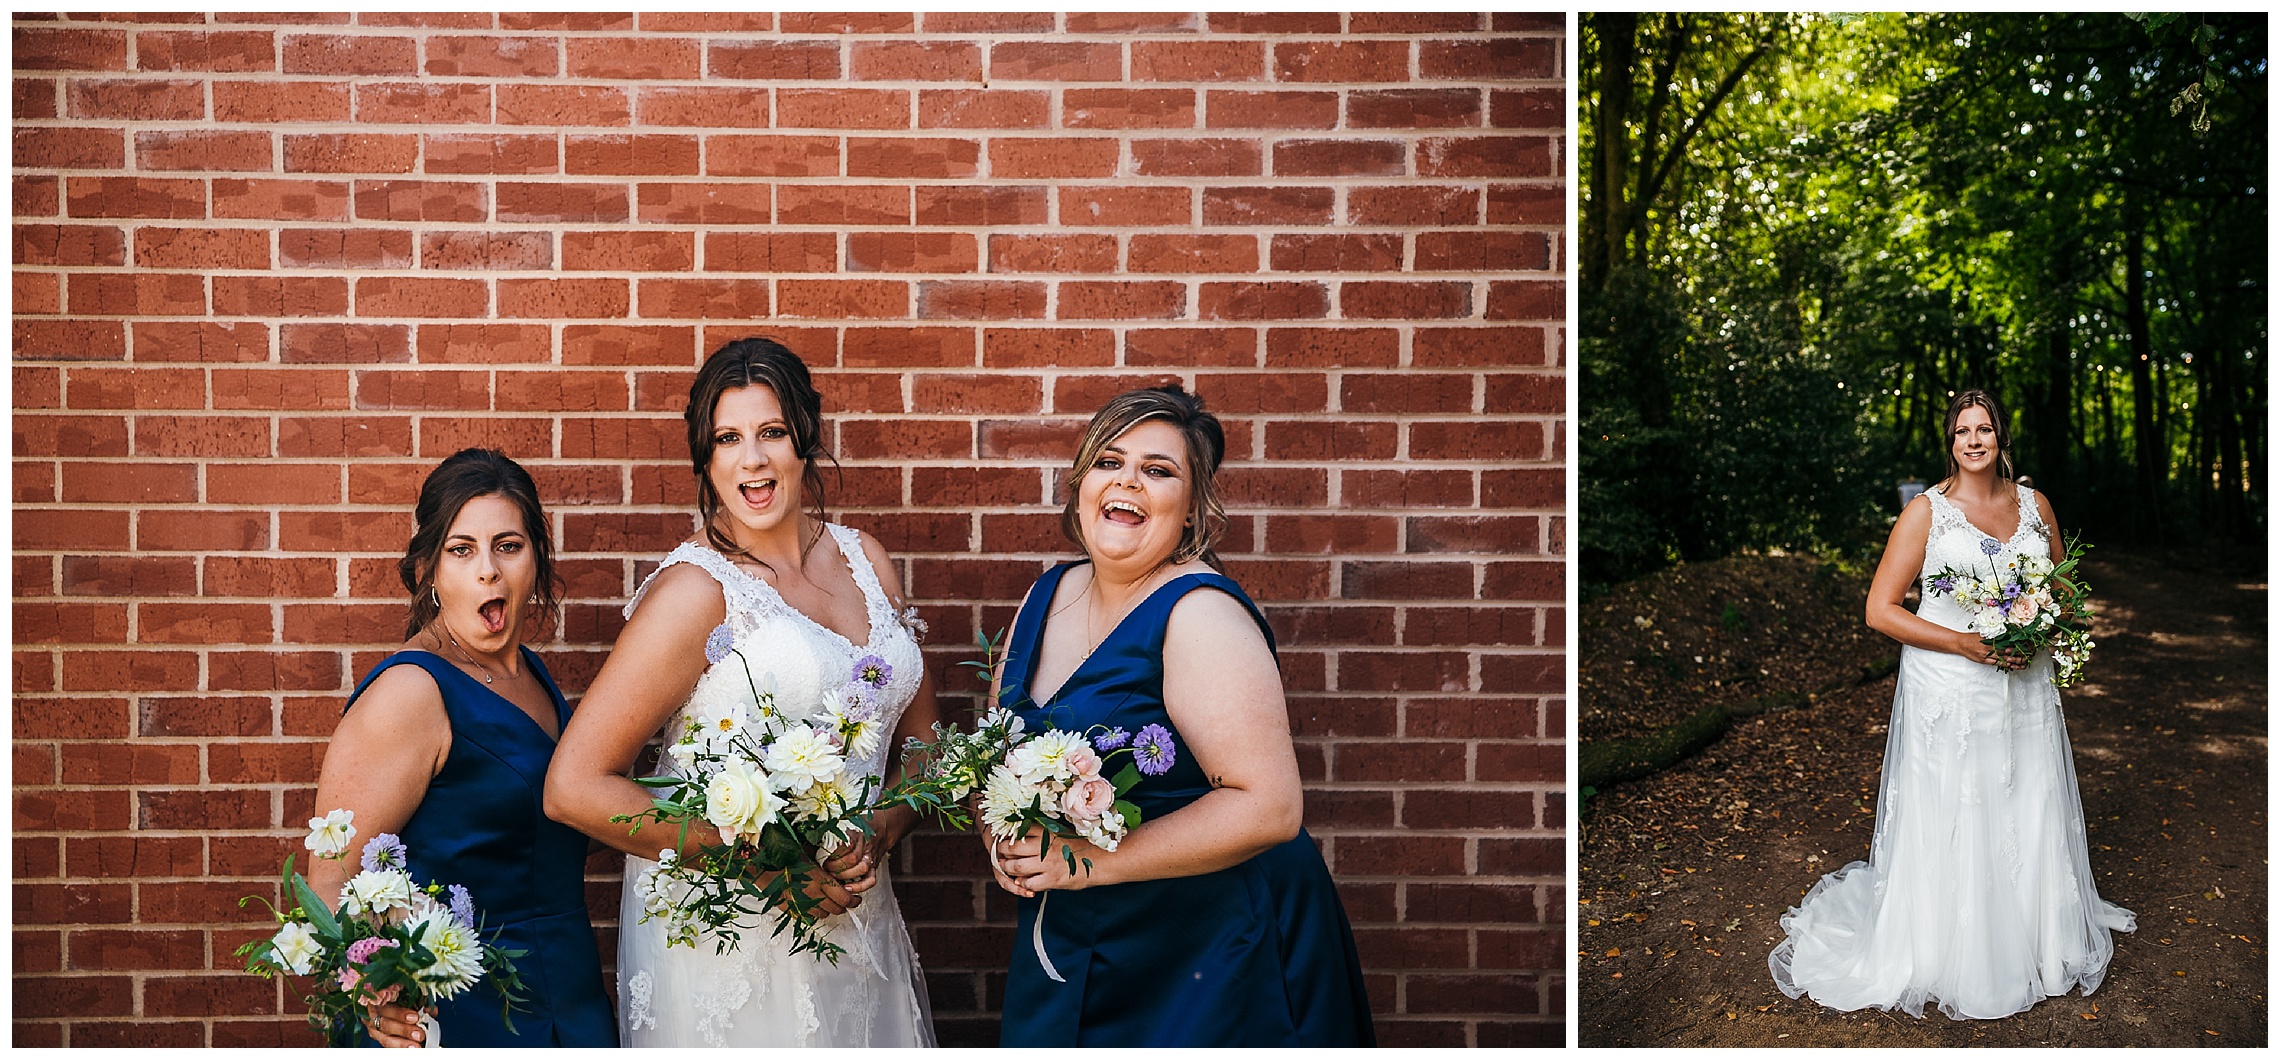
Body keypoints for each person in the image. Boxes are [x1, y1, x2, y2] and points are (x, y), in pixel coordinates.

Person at [545, 338, 940, 1047]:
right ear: (705, 458)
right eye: (728, 438)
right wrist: (770, 869)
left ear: (805, 441)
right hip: (733, 934)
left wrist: (879, 830)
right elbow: (575, 786)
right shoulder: (694, 592)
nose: (751, 460)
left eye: (772, 433)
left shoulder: (865, 559)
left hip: (855, 910)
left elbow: (922, 746)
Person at [986, 385, 1375, 1046]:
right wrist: (1003, 837)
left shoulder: (1200, 614)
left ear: (1191, 512)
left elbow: (1269, 807)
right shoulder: (1045, 594)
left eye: (1158, 470)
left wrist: (1084, 861)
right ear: (1082, 485)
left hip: (1217, 951)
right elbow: (997, 754)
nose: (1128, 481)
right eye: (1109, 461)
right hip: (1086, 937)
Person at [1769, 389, 2135, 1019]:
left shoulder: (2035, 505)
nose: (1974, 440)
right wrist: (1965, 644)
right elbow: (1879, 610)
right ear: (1950, 440)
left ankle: (2035, 937)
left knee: (2027, 797)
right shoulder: (1926, 514)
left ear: (2001, 439)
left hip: (2024, 684)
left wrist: (2045, 621)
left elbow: (2065, 590)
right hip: (1950, 687)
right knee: (1962, 804)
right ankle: (1954, 948)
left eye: (1985, 429)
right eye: (1963, 430)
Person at [307, 448, 616, 1047]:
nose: (488, 573)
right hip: (464, 1014)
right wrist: (373, 996)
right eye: (461, 550)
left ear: (537, 559)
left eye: (508, 546)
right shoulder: (410, 694)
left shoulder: (528, 674)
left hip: (569, 993)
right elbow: (327, 884)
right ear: (429, 568)